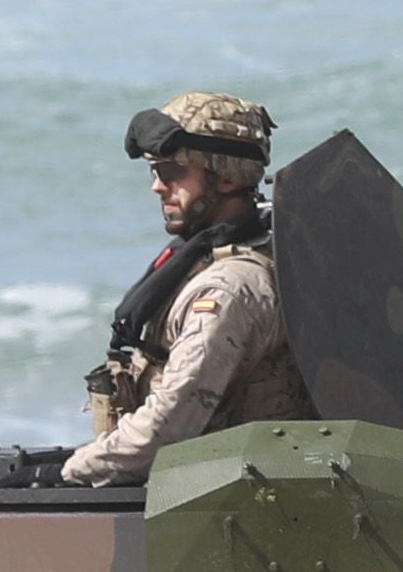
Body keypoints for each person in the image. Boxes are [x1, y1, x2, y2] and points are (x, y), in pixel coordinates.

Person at [57, 94, 311, 487]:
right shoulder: (214, 258)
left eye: (173, 171)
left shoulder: (230, 290)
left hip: (227, 502)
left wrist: (68, 472)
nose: (158, 187)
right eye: (154, 172)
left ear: (226, 176)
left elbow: (167, 427)